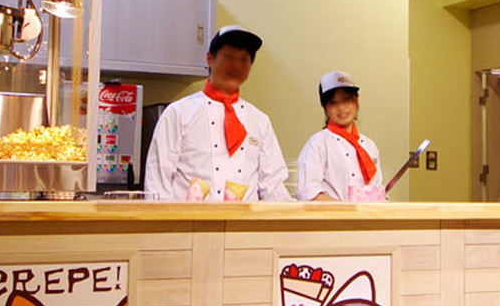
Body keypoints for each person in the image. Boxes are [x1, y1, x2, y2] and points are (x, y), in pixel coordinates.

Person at [143, 25, 291, 202]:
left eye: (244, 59)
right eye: (229, 57)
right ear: (210, 59)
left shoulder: (259, 120)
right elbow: (158, 181)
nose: (237, 65)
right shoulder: (178, 113)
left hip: (244, 219)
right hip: (190, 218)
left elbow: (272, 183)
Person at [297, 70, 387, 202]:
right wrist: (345, 210)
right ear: (324, 107)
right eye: (333, 102)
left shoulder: (369, 145)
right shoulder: (317, 143)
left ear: (356, 100)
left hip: (365, 215)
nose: (341, 108)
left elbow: (376, 190)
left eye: (346, 100)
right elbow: (309, 192)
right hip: (330, 215)